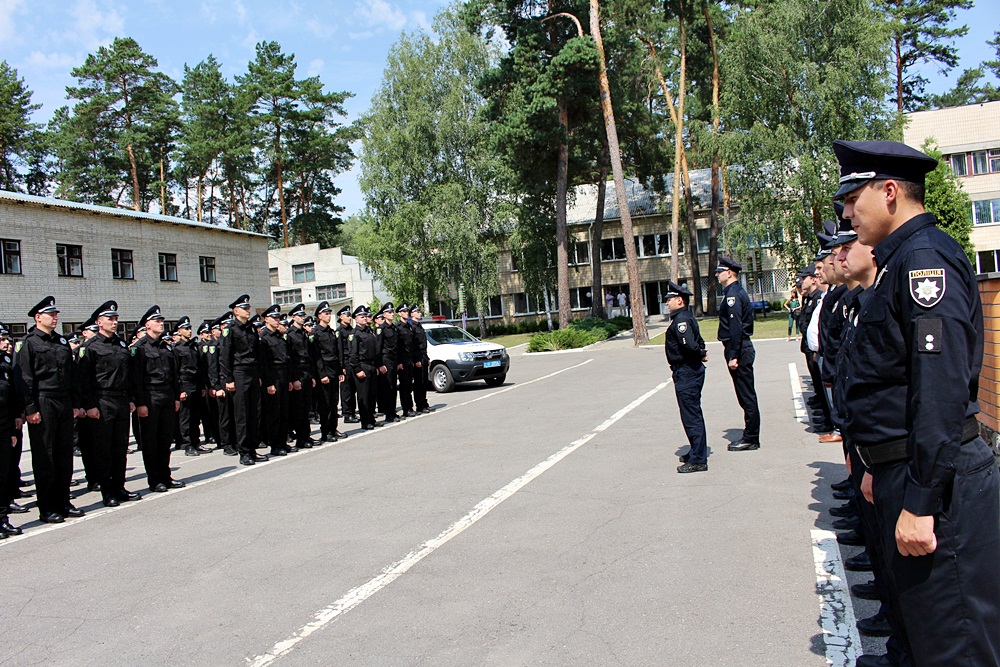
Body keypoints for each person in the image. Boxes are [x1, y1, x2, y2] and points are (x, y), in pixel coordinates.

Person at [835, 139, 999, 666]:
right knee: (917, 634)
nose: (846, 213)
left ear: (888, 193)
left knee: (953, 643)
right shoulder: (900, 260)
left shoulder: (924, 262)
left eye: (851, 198)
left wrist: (921, 501)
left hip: (935, 484)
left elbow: (940, 390)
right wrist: (873, 465)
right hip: (902, 471)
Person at [14, 296, 85, 524]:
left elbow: (72, 375)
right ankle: (47, 506)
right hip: (43, 401)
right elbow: (23, 377)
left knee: (64, 453)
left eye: (56, 315)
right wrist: (30, 408)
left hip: (63, 401)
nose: (55, 318)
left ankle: (63, 501)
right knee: (46, 455)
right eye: (51, 314)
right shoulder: (28, 343)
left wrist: (75, 403)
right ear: (38, 317)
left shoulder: (62, 342)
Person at [77, 301, 142, 507]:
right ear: (98, 322)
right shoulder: (90, 347)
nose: (114, 322)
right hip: (102, 400)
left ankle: (120, 486)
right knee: (103, 449)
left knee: (120, 447)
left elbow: (128, 375)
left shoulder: (121, 345)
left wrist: (131, 399)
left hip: (121, 399)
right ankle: (107, 491)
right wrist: (89, 405)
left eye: (116, 319)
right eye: (110, 319)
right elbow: (83, 379)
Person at [130, 305, 185, 493]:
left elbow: (174, 374)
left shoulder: (166, 346)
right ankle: (154, 480)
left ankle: (165, 475)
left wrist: (176, 396)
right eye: (157, 321)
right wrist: (140, 403)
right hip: (150, 396)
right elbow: (136, 379)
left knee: (165, 439)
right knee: (151, 441)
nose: (161, 324)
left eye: (162, 321)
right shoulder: (139, 348)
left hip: (167, 395)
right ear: (147, 324)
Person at [663, 282, 709, 473]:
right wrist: (701, 352)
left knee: (692, 415)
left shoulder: (681, 320)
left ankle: (698, 459)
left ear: (679, 300)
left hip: (687, 371)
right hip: (688, 370)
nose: (667, 303)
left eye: (669, 299)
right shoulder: (684, 317)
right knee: (690, 413)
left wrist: (699, 353)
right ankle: (696, 451)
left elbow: (690, 346)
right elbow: (698, 341)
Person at [715, 259, 760, 451]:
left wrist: (733, 355)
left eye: (720, 271)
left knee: (746, 395)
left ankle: (751, 437)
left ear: (730, 273)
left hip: (739, 348)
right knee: (744, 394)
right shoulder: (733, 292)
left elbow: (736, 327)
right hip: (739, 347)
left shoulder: (733, 294)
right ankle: (750, 435)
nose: (717, 275)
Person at [219, 295, 268, 467]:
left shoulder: (252, 329)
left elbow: (257, 354)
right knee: (242, 415)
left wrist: (260, 375)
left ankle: (253, 449)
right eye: (245, 308)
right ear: (236, 311)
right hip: (239, 373)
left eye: (249, 308)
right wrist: (228, 379)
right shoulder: (230, 329)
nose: (248, 311)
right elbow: (224, 356)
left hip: (253, 373)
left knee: (255, 413)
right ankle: (244, 451)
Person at [258, 305, 295, 457]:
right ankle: (274, 445)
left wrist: (290, 380)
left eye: (278, 317)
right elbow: (263, 363)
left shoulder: (280, 336)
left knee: (284, 411)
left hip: (283, 375)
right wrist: (268, 383)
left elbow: (287, 359)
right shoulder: (263, 338)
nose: (277, 320)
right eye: (274, 317)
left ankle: (282, 441)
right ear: (266, 319)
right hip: (272, 376)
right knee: (274, 413)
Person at [0, 321, 24, 537]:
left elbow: (7, 400)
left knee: (2, 474)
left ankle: (2, 518)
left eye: (6, 339)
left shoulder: (4, 365)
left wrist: (9, 432)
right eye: (1, 340)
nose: (5, 343)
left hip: (3, 428)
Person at [313, 301, 346, 442]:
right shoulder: (316, 333)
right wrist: (322, 374)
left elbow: (336, 353)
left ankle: (333, 428)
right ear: (319, 316)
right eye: (326, 314)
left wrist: (339, 371)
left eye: (329, 313)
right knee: (325, 404)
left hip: (333, 369)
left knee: (334, 402)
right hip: (324, 371)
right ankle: (325, 432)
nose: (329, 316)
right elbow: (317, 356)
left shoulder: (331, 332)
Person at [285, 303, 316, 449]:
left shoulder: (303, 333)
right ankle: (300, 438)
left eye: (303, 315)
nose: (303, 318)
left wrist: (312, 376)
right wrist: (294, 378)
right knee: (298, 408)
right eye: (300, 316)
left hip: (307, 373)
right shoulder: (289, 335)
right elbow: (290, 359)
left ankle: (306, 435)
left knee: (306, 407)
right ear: (293, 317)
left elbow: (309, 356)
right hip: (298, 373)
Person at [347, 305, 381, 430]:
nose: (365, 318)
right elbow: (353, 354)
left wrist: (376, 366)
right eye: (362, 317)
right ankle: (365, 421)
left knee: (372, 395)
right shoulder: (355, 334)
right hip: (362, 366)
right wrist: (357, 370)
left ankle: (371, 418)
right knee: (363, 396)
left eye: (365, 316)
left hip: (371, 365)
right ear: (355, 319)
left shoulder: (369, 331)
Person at [375, 303, 400, 424]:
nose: (392, 314)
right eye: (389, 312)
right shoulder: (381, 329)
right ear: (384, 315)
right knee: (387, 387)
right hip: (386, 359)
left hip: (394, 359)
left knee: (393, 387)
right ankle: (388, 414)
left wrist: (399, 362)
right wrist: (380, 364)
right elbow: (378, 348)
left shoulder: (394, 328)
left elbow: (397, 346)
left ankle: (393, 411)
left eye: (392, 312)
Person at [336, 306, 359, 424]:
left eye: (350, 315)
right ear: (341, 317)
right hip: (345, 361)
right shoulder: (339, 331)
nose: (349, 318)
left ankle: (353, 412)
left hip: (352, 361)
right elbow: (339, 350)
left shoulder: (352, 330)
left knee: (353, 388)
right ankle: (347, 413)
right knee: (346, 389)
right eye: (347, 315)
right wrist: (341, 367)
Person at [409, 304, 432, 414]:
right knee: (418, 383)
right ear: (412, 313)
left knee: (424, 382)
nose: (419, 312)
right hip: (417, 356)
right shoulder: (411, 327)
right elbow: (413, 345)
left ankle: (424, 403)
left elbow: (424, 343)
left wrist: (426, 357)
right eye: (417, 311)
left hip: (423, 355)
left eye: (419, 311)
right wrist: (416, 360)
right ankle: (419, 405)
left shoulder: (419, 326)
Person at [395, 303, 416, 418]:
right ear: (399, 313)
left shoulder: (409, 326)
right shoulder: (397, 328)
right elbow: (397, 346)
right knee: (403, 386)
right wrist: (398, 362)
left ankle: (410, 407)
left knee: (409, 385)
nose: (406, 312)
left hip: (409, 359)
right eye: (403, 311)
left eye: (407, 310)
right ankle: (405, 409)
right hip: (402, 359)